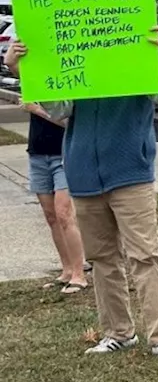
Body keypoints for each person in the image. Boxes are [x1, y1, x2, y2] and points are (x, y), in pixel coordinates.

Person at [6, 26, 158, 359]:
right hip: (83, 173)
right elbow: (59, 108)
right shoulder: (75, 67)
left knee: (144, 256)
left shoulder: (139, 58)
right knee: (103, 259)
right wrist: (24, 70)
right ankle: (119, 333)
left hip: (131, 172)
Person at [22, 103, 88, 294]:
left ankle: (79, 274)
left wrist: (37, 110)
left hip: (63, 155)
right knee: (51, 216)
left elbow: (72, 123)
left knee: (64, 213)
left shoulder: (66, 90)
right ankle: (67, 270)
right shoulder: (37, 86)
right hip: (38, 154)